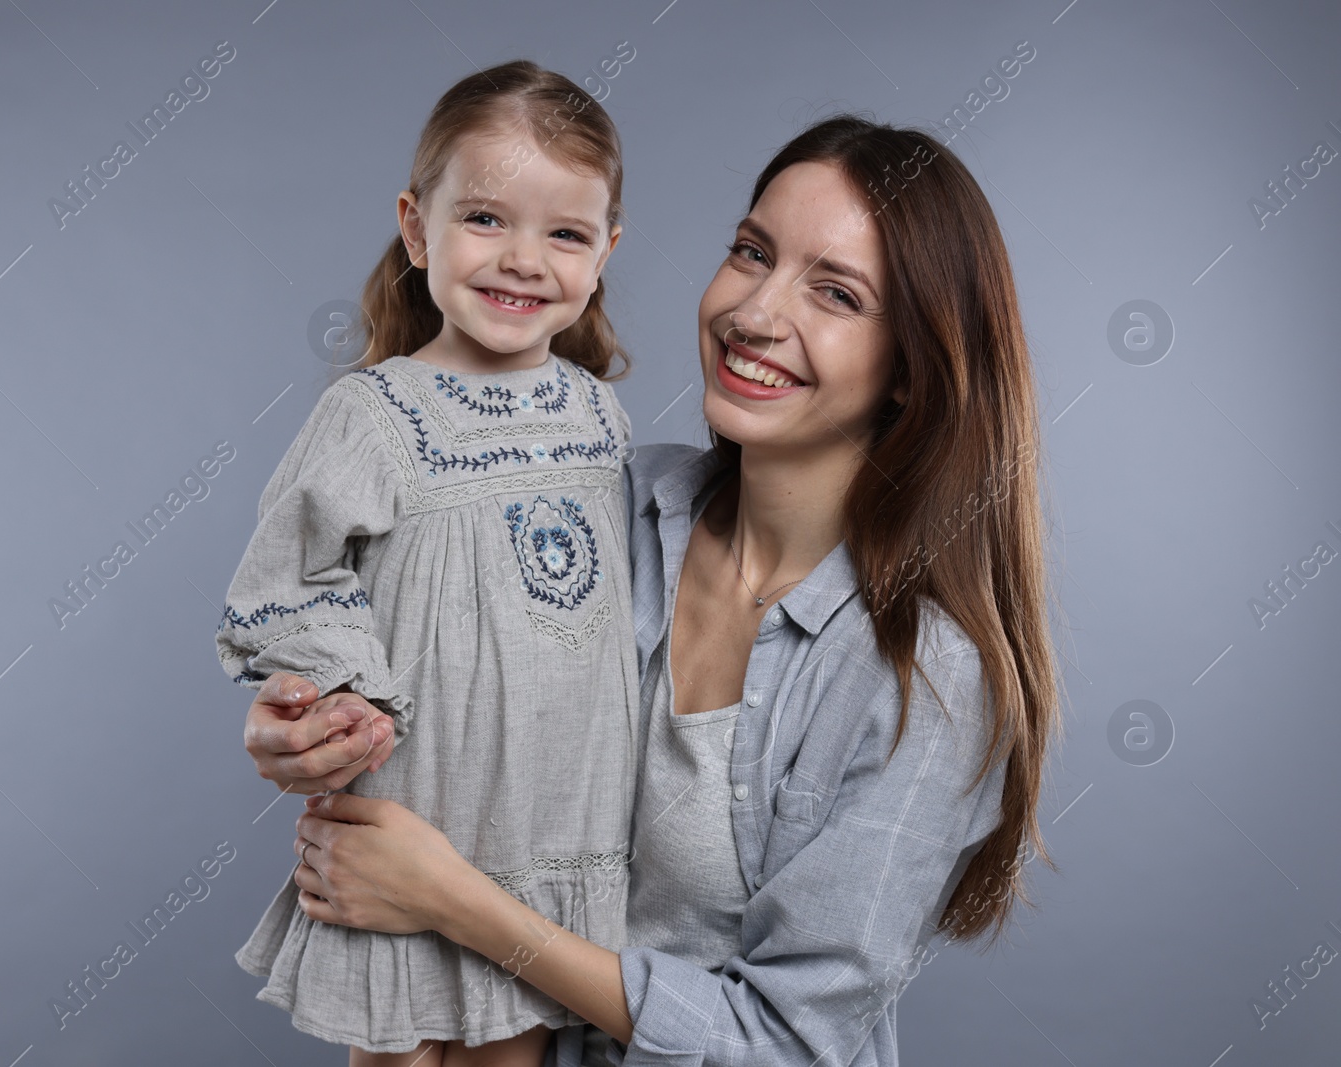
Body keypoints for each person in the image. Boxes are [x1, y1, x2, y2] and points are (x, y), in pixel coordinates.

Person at [244, 113, 1063, 1066]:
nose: (756, 313)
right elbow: (428, 679)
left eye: (834, 293)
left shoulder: (928, 678)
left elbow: (787, 1045)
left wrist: (456, 903)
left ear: (912, 371)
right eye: (752, 252)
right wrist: (307, 719)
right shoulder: (602, 500)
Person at [214, 60, 641, 1066]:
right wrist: (343, 691)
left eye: (565, 233)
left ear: (604, 253)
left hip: (552, 834)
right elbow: (283, 582)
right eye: (486, 219)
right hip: (418, 818)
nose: (523, 259)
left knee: (517, 1049)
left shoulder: (600, 415)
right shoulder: (375, 412)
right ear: (417, 227)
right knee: (400, 1050)